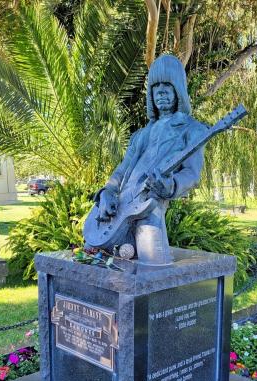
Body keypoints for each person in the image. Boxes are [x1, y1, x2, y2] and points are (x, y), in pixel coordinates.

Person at [89, 54, 207, 265]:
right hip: (118, 210)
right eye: (155, 86)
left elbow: (192, 174)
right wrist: (107, 192)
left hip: (149, 210)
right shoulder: (141, 134)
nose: (160, 91)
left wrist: (170, 186)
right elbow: (122, 169)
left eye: (167, 85)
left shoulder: (194, 131)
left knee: (153, 267)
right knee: (96, 257)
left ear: (178, 89)